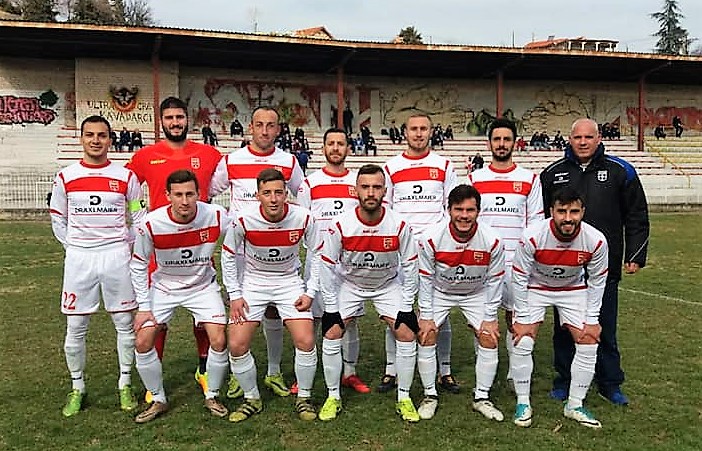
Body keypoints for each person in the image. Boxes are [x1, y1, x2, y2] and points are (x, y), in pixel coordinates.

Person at [125, 96, 233, 402]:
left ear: (188, 120)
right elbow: (127, 186)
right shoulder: (146, 155)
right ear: (161, 122)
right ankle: (155, 377)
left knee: (204, 314)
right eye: (169, 118)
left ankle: (204, 369)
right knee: (157, 318)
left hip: (197, 241)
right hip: (160, 244)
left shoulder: (209, 154)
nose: (175, 123)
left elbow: (225, 183)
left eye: (180, 117)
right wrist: (139, 215)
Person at [540, 118, 649, 406]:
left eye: (589, 137)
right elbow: (541, 220)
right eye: (578, 137)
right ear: (569, 139)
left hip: (605, 265)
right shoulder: (552, 173)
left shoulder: (621, 171)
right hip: (564, 268)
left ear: (599, 138)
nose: (583, 142)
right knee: (564, 328)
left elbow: (637, 215)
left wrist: (635, 255)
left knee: (604, 326)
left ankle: (609, 383)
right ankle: (565, 380)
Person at [49, 115, 146, 417]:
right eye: (90, 135)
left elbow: (138, 216)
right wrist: (75, 247)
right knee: (76, 325)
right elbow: (58, 218)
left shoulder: (126, 177)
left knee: (124, 323)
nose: (95, 140)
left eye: (102, 135)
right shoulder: (66, 176)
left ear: (110, 140)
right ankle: (77, 387)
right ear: (81, 138)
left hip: (116, 256)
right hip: (80, 258)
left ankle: (125, 384)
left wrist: (126, 245)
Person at [210, 106, 305, 399]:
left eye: (271, 125)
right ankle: (238, 373)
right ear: (250, 127)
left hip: (276, 252)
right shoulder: (232, 160)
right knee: (239, 309)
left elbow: (303, 197)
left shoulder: (289, 161)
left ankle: (273, 371)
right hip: (241, 251)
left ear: (278, 129)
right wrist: (228, 223)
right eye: (260, 125)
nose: (265, 131)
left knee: (274, 311)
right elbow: (211, 193)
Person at [318, 164, 420, 423]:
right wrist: (330, 308)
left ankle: (404, 397)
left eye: (376, 187)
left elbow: (411, 265)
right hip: (350, 285)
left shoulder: (399, 224)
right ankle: (333, 396)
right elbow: (326, 266)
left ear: (385, 191)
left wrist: (407, 306)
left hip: (387, 285)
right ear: (356, 191)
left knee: (407, 333)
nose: (371, 193)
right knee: (332, 331)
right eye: (365, 187)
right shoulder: (340, 225)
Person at [130, 170, 231, 423]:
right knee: (142, 341)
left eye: (189, 194)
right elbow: (139, 265)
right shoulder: (150, 224)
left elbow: (239, 240)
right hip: (164, 287)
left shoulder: (217, 215)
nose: (184, 201)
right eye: (178, 195)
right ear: (167, 195)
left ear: (199, 194)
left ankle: (212, 395)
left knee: (219, 339)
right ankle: (158, 399)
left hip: (202, 287)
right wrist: (143, 306)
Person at [222, 168, 319, 423]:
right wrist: (235, 294)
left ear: (286, 194)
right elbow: (228, 256)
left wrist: (310, 292)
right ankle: (251, 398)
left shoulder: (304, 217)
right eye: (267, 193)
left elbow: (318, 254)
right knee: (237, 344)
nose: (273, 199)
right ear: (258, 195)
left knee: (306, 340)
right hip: (253, 284)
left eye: (278, 192)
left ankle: (304, 398)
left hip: (289, 283)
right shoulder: (243, 220)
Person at [510, 186, 609, 429]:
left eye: (574, 211)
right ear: (551, 211)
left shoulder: (596, 240)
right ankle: (523, 402)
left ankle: (574, 404)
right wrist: (521, 317)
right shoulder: (532, 235)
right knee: (522, 339)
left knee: (588, 340)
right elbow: (519, 278)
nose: (568, 218)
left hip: (573, 289)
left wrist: (592, 320)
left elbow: (597, 281)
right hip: (536, 286)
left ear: (583, 212)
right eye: (561, 211)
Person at [382, 113, 458, 395]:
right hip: (401, 250)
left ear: (431, 131)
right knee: (396, 309)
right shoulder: (391, 167)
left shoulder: (444, 165)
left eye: (423, 128)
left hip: (434, 250)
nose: (418, 133)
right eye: (413, 129)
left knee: (439, 312)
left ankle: (444, 370)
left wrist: (439, 239)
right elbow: (386, 208)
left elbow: (451, 206)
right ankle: (391, 369)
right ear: (405, 132)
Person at [417, 184, 506, 421]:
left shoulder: (493, 240)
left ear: (478, 211)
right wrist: (426, 315)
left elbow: (495, 281)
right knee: (426, 333)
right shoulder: (430, 238)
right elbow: (425, 279)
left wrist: (490, 318)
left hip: (476, 292)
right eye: (459, 209)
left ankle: (482, 397)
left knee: (489, 337)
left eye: (470, 210)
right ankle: (429, 395)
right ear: (449, 210)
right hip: (440, 291)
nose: (464, 216)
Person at [468, 118, 543, 391]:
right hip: (484, 263)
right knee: (481, 321)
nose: (501, 144)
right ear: (489, 143)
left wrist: (528, 262)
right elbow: (469, 221)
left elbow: (535, 224)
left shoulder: (529, 179)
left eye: (506, 139)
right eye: (497, 139)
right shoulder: (475, 179)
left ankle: (514, 372)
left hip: (516, 263)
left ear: (514, 143)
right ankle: (484, 369)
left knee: (515, 319)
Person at [297, 127, 370, 394]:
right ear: (323, 148)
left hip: (349, 262)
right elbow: (303, 222)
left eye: (341, 144)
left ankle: (349, 372)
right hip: (318, 260)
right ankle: (307, 370)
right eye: (331, 143)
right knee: (314, 317)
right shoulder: (310, 183)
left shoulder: (357, 183)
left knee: (350, 319)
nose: (336, 148)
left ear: (348, 148)